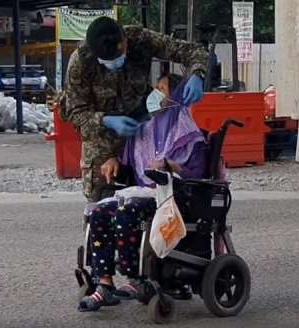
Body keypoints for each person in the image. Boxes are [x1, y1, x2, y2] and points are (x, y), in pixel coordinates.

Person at [78, 74, 209, 312]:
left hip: (170, 194)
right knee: (99, 212)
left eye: (162, 89)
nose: (155, 94)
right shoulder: (144, 129)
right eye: (155, 88)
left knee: (126, 212)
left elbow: (197, 172)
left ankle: (135, 280)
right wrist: (113, 160)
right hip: (141, 192)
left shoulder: (189, 135)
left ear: (176, 97)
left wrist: (170, 165)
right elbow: (128, 162)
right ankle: (104, 283)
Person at [63, 16, 208, 205]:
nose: (115, 63)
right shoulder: (81, 60)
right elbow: (74, 111)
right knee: (102, 205)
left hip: (142, 132)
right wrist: (105, 120)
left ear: (124, 40)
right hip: (102, 142)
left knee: (149, 202)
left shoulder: (140, 39)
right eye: (107, 61)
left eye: (119, 53)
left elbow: (192, 51)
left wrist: (198, 74)